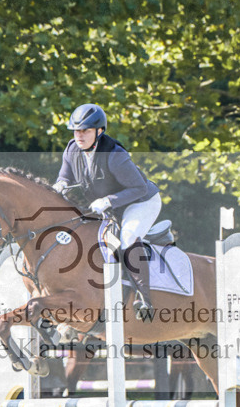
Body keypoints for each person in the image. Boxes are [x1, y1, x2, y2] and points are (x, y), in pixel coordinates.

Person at [53, 103, 161, 320]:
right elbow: (64, 177)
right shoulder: (72, 149)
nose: (79, 136)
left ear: (99, 131)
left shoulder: (114, 154)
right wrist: (60, 185)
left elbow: (139, 188)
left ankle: (144, 299)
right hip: (111, 207)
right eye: (76, 131)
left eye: (85, 131)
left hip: (140, 202)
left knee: (128, 236)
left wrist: (108, 200)